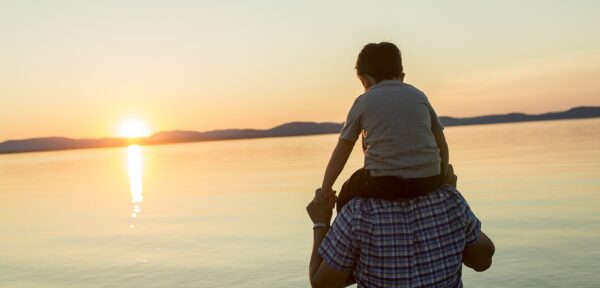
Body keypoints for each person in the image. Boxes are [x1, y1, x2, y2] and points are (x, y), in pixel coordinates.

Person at [318, 42, 450, 210]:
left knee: (347, 190)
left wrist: (325, 190)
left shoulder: (363, 101)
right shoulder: (419, 95)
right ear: (401, 76)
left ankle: (344, 230)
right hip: (429, 180)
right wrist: (442, 176)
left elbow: (342, 150)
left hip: (385, 184)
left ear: (365, 80)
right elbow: (442, 143)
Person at [306, 185, 495, 287]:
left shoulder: (358, 213)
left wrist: (321, 223)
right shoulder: (450, 200)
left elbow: (323, 285)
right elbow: (483, 260)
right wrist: (450, 199)